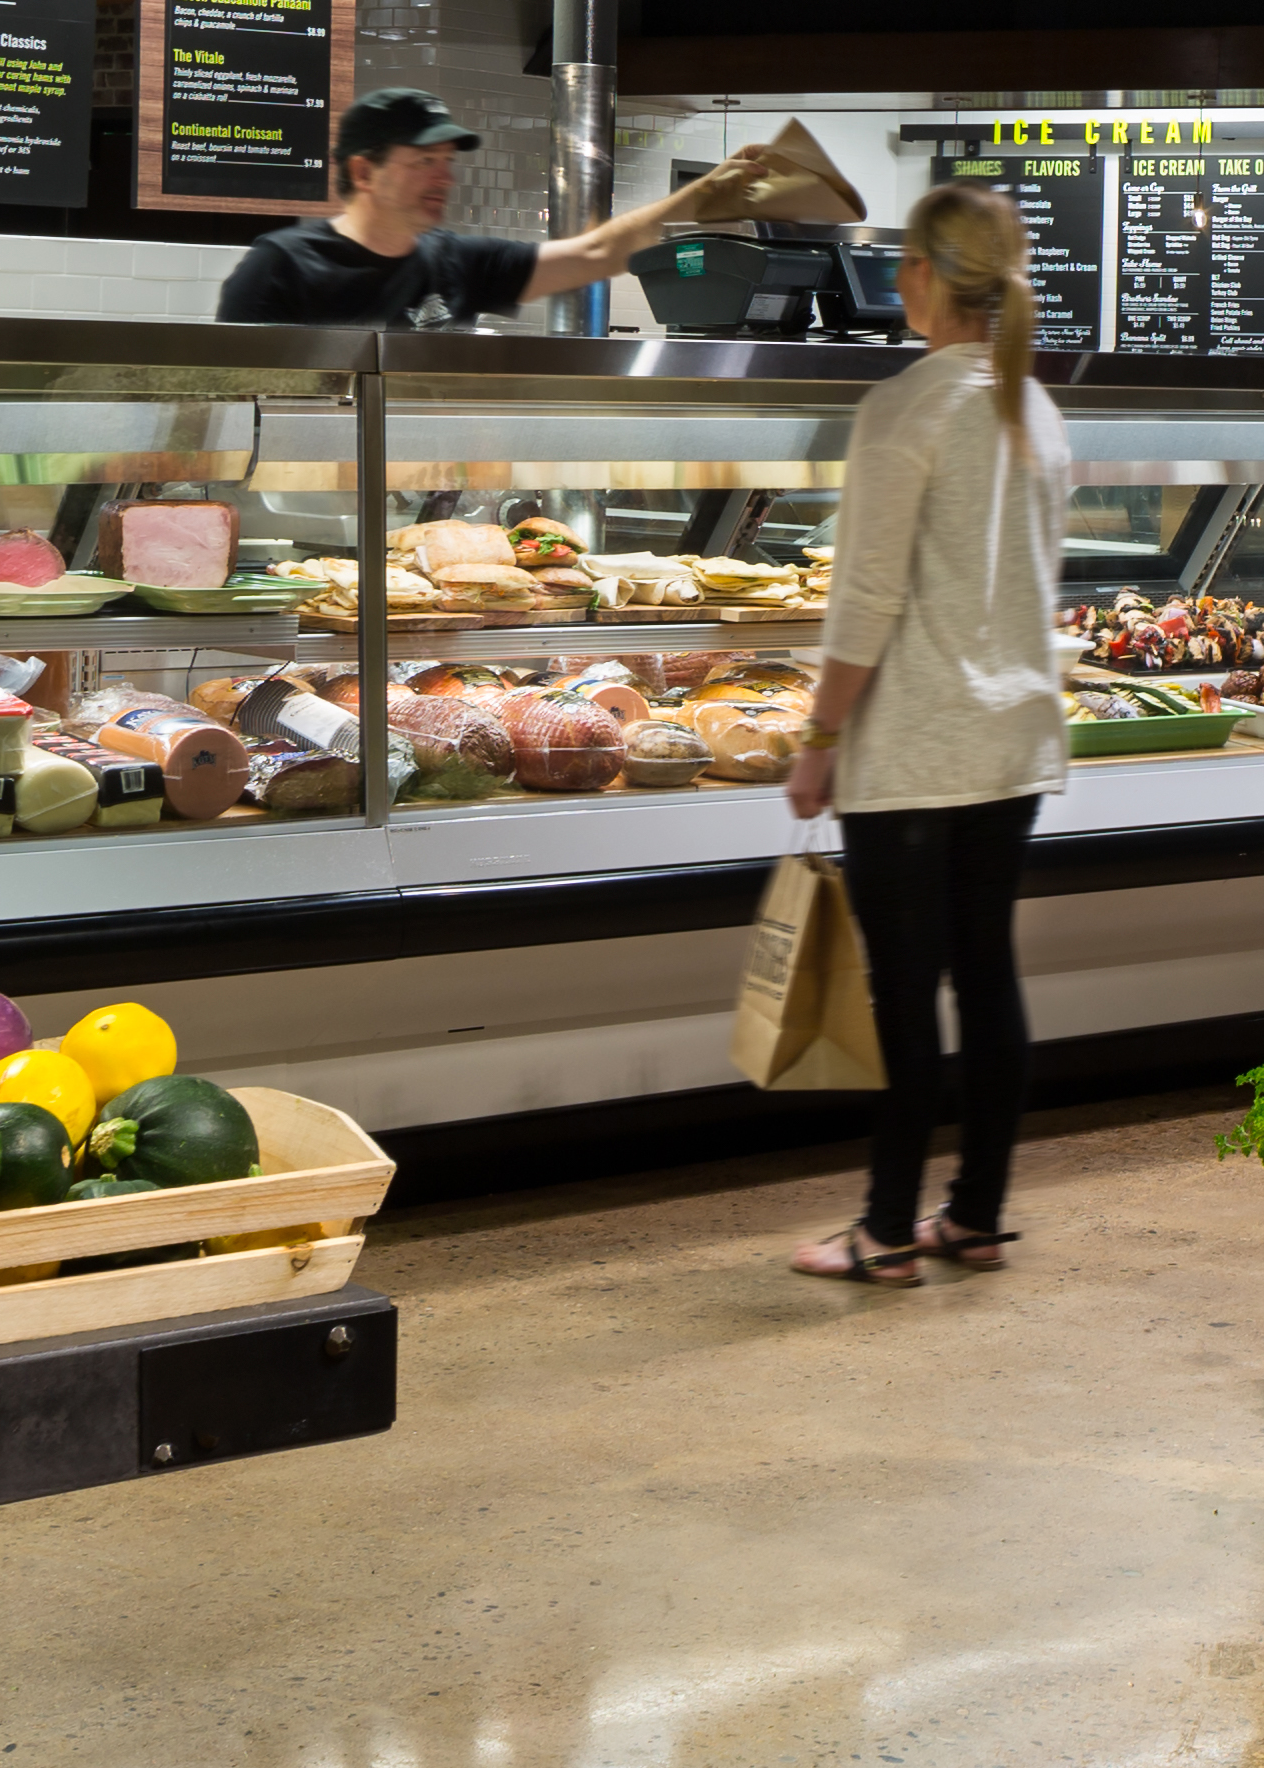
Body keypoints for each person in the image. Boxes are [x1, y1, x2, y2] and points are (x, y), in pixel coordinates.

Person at [783, 180, 1076, 1287]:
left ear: (921, 276)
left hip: (911, 749)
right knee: (987, 978)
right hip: (1009, 743)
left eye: (901, 263)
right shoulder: (1030, 408)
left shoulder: (906, 408)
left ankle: (887, 1230)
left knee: (905, 998)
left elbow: (864, 607)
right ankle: (979, 1216)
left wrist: (817, 740)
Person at [216, 88, 795, 330]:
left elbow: (598, 252)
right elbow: (221, 400)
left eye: (448, 160)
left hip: (418, 496)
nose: (444, 176)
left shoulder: (455, 261)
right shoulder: (282, 264)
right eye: (423, 161)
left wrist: (702, 196)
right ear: (364, 171)